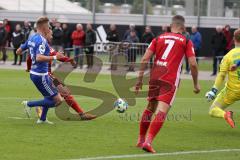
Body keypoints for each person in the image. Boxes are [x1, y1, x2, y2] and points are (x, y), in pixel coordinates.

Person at [135, 15, 200, 153]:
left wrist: (139, 80)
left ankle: (140, 139)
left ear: (171, 26)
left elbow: (145, 59)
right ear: (183, 27)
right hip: (169, 79)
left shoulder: (158, 38)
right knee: (162, 111)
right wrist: (196, 84)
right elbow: (193, 64)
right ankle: (148, 142)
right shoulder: (186, 40)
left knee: (150, 107)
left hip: (155, 77)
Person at [17, 30, 96, 121]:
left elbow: (30, 58)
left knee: (50, 96)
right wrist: (70, 60)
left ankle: (42, 117)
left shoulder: (42, 44)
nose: (52, 36)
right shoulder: (43, 46)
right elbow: (56, 56)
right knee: (64, 94)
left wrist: (28, 68)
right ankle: (81, 114)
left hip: (47, 75)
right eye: (51, 34)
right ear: (46, 34)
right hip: (47, 75)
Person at [19, 16, 64, 124]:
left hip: (39, 74)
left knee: (50, 96)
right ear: (45, 29)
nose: (51, 34)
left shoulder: (32, 38)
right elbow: (39, 58)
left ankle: (42, 118)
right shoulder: (42, 41)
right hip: (40, 75)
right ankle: (29, 104)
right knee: (58, 101)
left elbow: (18, 51)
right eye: (49, 29)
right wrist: (54, 57)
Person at [205, 28, 240, 128]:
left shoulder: (228, 56)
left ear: (233, 39)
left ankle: (225, 114)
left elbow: (222, 75)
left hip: (232, 91)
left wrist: (213, 90)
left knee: (213, 110)